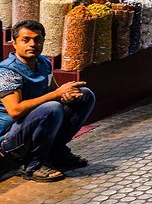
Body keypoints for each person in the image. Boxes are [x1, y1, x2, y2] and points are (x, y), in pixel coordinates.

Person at [0, 21, 95, 182]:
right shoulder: (7, 71)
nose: (32, 44)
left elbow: (54, 91)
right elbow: (15, 111)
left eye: (37, 39)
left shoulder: (43, 62)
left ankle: (57, 152)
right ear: (14, 43)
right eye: (26, 40)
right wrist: (55, 95)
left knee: (85, 95)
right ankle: (34, 164)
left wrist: (66, 95)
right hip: (10, 137)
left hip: (37, 120)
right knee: (52, 107)